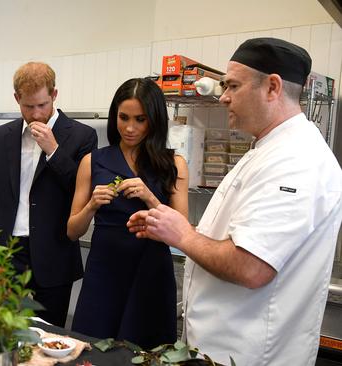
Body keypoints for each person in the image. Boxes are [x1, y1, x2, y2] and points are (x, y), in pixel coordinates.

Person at [127, 38, 342, 365]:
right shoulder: (266, 148)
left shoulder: (298, 160)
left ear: (272, 87)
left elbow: (251, 266)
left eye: (233, 86)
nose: (223, 97)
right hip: (223, 347)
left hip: (251, 354)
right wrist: (172, 228)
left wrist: (182, 234)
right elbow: (238, 232)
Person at [67, 78, 188, 348]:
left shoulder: (174, 164)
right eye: (123, 118)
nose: (130, 128)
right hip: (104, 270)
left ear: (154, 120)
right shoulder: (92, 161)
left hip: (150, 270)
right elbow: (73, 230)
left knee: (148, 350)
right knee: (93, 349)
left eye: (140, 119)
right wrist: (91, 205)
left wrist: (150, 197)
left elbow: (182, 233)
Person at [0, 62, 98, 327]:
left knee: (49, 334)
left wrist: (53, 150)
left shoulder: (82, 136)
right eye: (28, 107)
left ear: (54, 95)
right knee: (1, 330)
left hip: (54, 251)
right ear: (17, 98)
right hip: (6, 252)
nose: (36, 114)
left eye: (42, 105)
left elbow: (81, 191)